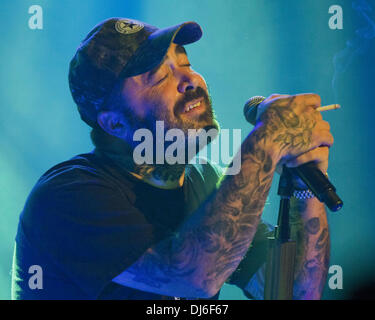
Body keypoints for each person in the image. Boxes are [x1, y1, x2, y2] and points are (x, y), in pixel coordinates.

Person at [11, 17, 333, 300]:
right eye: (159, 76)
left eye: (186, 63)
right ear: (115, 123)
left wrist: (305, 185)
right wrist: (266, 141)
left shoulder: (206, 182)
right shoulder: (67, 197)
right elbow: (194, 277)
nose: (190, 80)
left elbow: (294, 293)